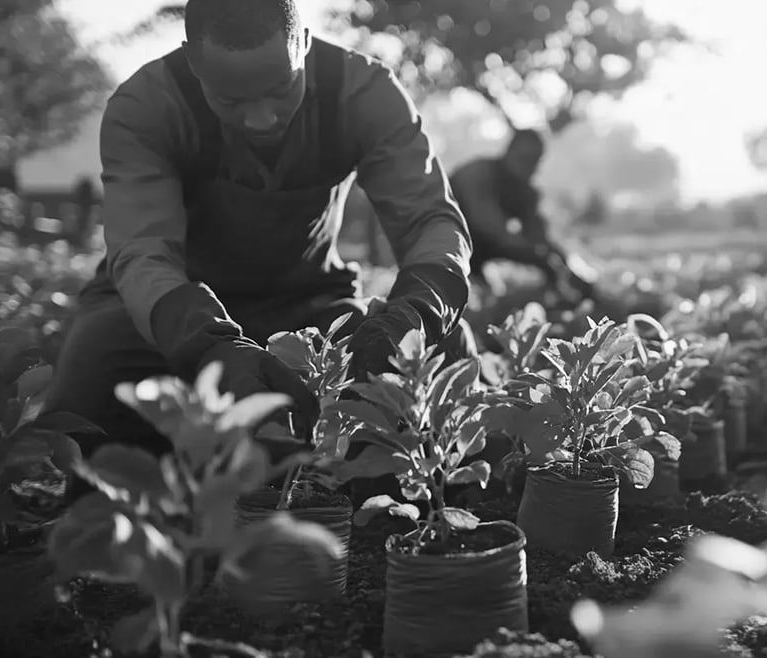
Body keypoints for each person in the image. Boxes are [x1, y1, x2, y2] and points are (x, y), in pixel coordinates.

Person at [43, 0, 476, 461]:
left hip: (306, 306)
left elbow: (431, 221)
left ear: (302, 43)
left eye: (281, 88)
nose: (262, 118)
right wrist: (211, 345)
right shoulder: (147, 106)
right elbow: (143, 253)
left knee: (446, 344)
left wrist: (410, 317)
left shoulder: (363, 92)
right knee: (93, 370)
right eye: (231, 99)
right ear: (193, 61)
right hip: (172, 314)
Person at [448, 129, 597, 301]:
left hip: (478, 249)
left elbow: (539, 237)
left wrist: (568, 268)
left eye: (534, 161)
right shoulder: (477, 174)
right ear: (509, 151)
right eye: (524, 157)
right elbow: (488, 227)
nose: (529, 166)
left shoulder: (525, 193)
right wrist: (537, 255)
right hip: (447, 244)